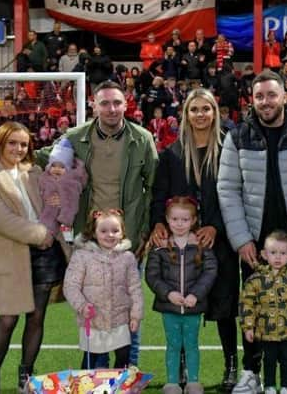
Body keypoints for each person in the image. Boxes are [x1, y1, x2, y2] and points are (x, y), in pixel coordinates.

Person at [218, 71, 287, 394]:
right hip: (255, 241)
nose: (266, 102)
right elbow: (228, 190)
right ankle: (251, 371)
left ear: (284, 97)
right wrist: (241, 241)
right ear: (252, 100)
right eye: (259, 96)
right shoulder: (237, 137)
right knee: (254, 304)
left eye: (271, 95)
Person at [37, 80, 158, 367]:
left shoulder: (142, 139)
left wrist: (143, 232)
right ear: (94, 105)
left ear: (126, 104)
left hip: (126, 240)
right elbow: (45, 157)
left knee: (127, 308)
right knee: (93, 309)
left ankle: (127, 371)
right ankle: (94, 370)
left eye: (117, 103)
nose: (112, 109)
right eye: (105, 103)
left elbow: (153, 187)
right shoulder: (76, 137)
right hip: (89, 240)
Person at [150, 88, 240, 391]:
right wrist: (158, 225)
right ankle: (183, 368)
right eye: (194, 109)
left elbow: (236, 196)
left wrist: (215, 227)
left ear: (215, 113)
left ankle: (231, 365)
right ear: (185, 115)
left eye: (206, 109)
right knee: (181, 307)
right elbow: (158, 197)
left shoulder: (230, 150)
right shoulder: (172, 155)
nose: (200, 115)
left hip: (221, 241)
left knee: (225, 304)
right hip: (181, 248)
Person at [0, 122, 64, 393]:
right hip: (11, 255)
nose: (18, 148)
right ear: (1, 143)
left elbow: (53, 203)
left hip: (45, 255)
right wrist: (40, 234)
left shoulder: (35, 171)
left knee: (37, 317)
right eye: (12, 143)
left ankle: (26, 376)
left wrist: (54, 224)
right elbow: (2, 219)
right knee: (8, 318)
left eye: (23, 144)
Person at [146, 196, 218, 394]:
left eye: (185, 220)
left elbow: (210, 271)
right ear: (167, 220)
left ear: (194, 221)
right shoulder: (160, 245)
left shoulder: (201, 245)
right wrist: (168, 294)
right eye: (175, 219)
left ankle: (193, 381)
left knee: (192, 344)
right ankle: (172, 382)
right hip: (169, 307)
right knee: (173, 344)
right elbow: (152, 276)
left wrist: (196, 294)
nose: (179, 224)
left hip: (193, 306)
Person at [63, 209, 143, 369]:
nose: (110, 235)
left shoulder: (127, 258)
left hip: (120, 318)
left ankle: (120, 387)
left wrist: (135, 315)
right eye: (104, 231)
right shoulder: (82, 256)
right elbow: (71, 285)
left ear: (122, 233)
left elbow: (135, 288)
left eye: (115, 231)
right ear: (94, 232)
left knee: (123, 357)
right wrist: (81, 305)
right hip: (93, 319)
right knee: (90, 359)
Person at [239, 230, 287, 394]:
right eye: (273, 253)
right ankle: (269, 386)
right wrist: (248, 327)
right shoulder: (256, 280)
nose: (278, 257)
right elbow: (247, 304)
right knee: (269, 360)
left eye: (283, 253)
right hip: (266, 332)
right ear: (264, 254)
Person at [38, 138, 88, 240]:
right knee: (45, 227)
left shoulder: (70, 182)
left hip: (63, 214)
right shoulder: (45, 177)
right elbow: (39, 190)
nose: (57, 169)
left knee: (63, 234)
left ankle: (62, 241)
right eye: (54, 166)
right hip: (46, 211)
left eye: (62, 167)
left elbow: (72, 201)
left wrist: (66, 217)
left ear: (68, 169)